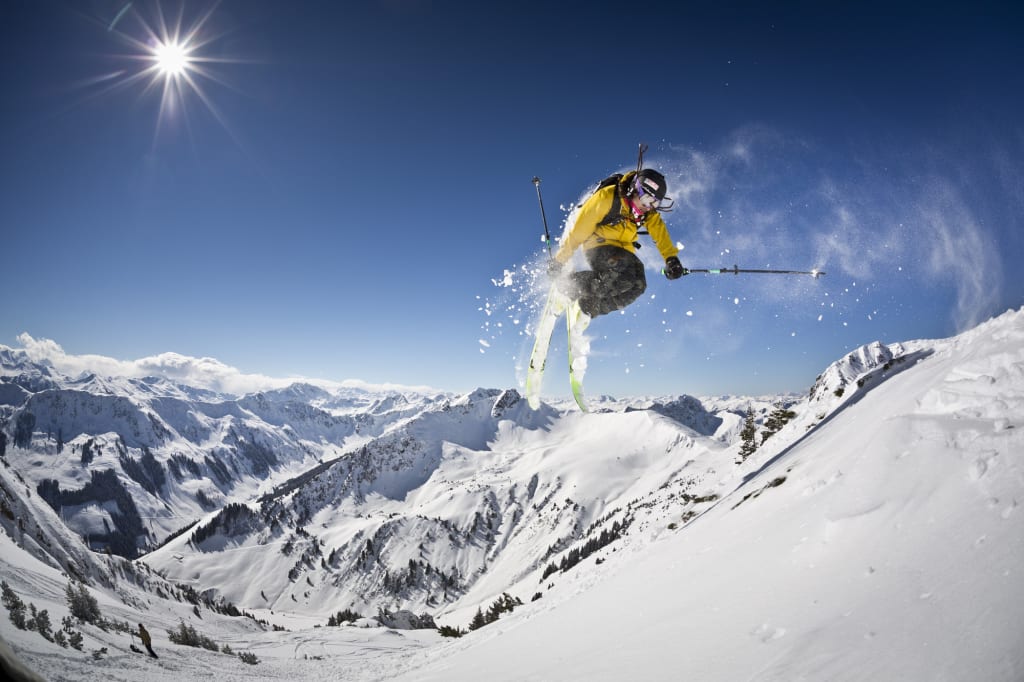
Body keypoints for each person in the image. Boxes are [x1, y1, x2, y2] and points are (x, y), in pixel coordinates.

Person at [548, 168, 687, 325]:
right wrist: (559, 261)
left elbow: (660, 233)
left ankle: (588, 308)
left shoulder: (648, 213)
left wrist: (671, 259)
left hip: (623, 249)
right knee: (618, 271)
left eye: (655, 203)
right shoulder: (607, 198)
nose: (648, 206)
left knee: (638, 284)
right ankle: (567, 288)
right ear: (635, 189)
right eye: (647, 199)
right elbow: (578, 233)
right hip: (598, 244)